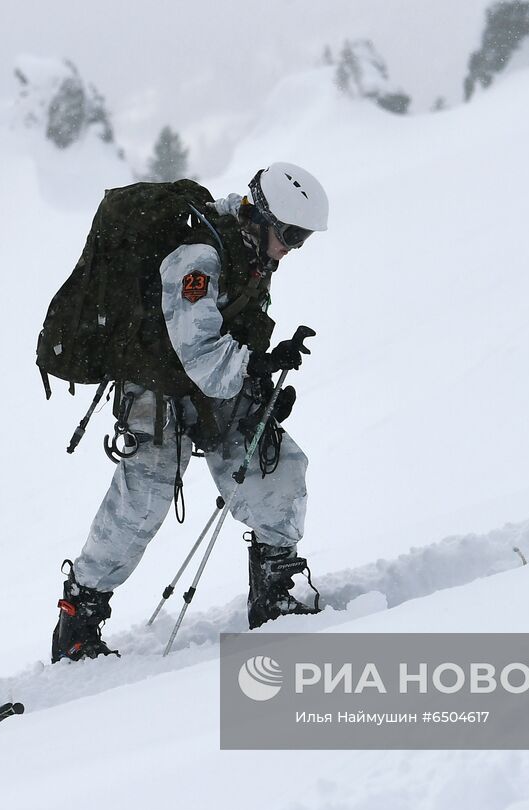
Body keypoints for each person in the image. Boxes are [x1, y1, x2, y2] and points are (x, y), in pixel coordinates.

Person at [52, 162, 329, 662]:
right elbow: (201, 356)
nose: (293, 247)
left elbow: (230, 343)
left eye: (302, 238)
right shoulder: (197, 259)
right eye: (290, 233)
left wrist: (263, 379)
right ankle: (79, 617)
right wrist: (259, 367)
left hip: (218, 388)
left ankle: (275, 589)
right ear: (262, 217)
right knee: (142, 503)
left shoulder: (251, 254)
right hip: (157, 392)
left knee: (279, 465)